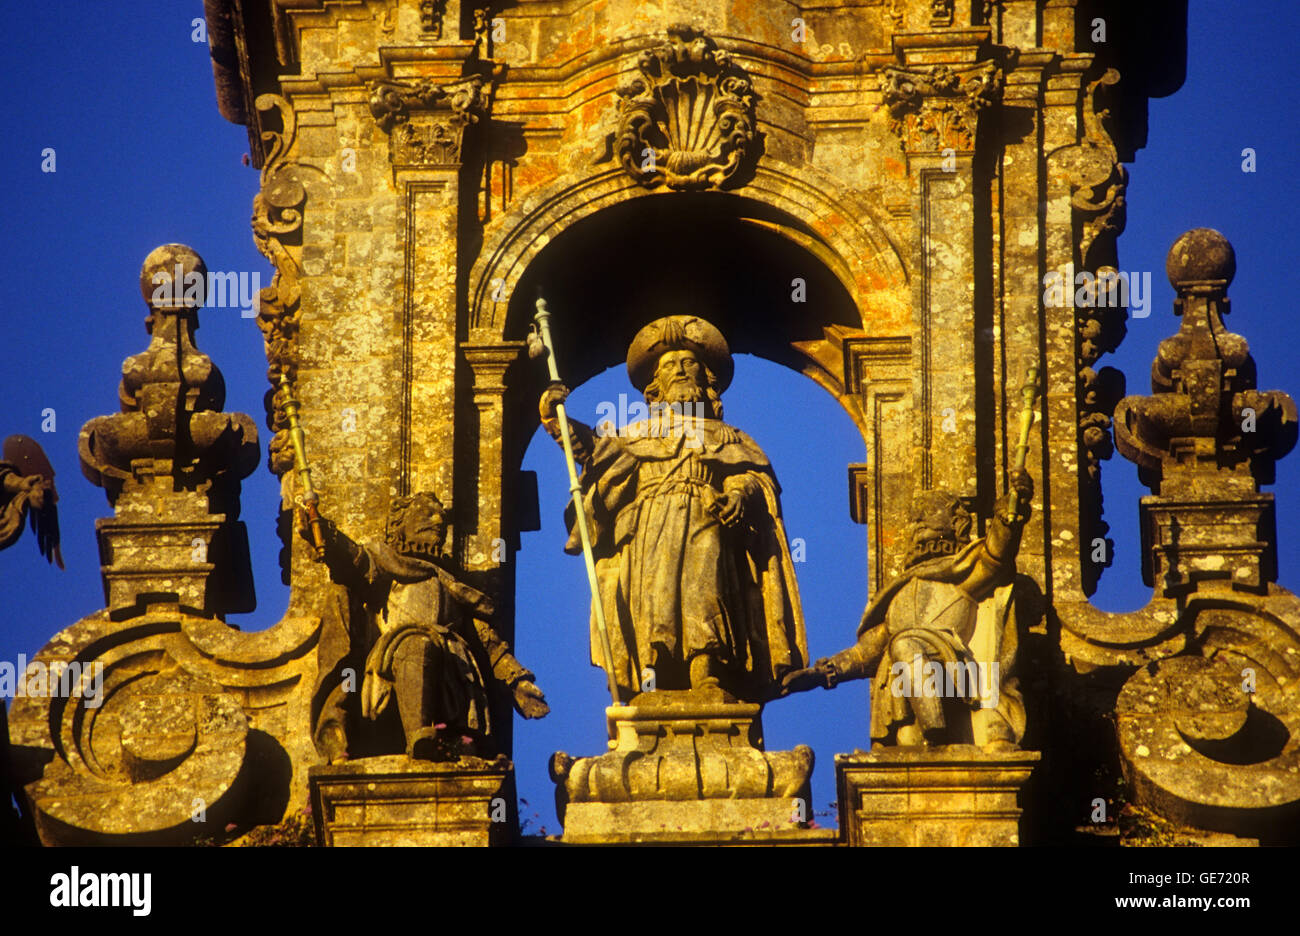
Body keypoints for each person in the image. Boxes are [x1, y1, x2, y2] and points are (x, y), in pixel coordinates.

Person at [540, 315, 807, 702]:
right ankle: (655, 676)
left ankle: (708, 673)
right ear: (655, 386)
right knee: (654, 596)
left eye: (689, 363)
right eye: (669, 365)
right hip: (649, 522)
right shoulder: (635, 434)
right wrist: (557, 419)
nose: (680, 370)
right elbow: (598, 455)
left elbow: (754, 479)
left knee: (705, 587)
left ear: (706, 379)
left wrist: (737, 495)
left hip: (706, 514)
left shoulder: (729, 436)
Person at [781, 471, 1033, 751]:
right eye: (915, 516)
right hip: (905, 680)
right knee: (906, 738)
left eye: (927, 512)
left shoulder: (964, 572)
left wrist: (1010, 512)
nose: (917, 521)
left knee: (903, 644)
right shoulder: (898, 593)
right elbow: (865, 653)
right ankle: (929, 738)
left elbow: (997, 554)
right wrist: (820, 674)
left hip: (952, 664)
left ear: (957, 523)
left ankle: (938, 731)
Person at [305, 491, 548, 762]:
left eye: (440, 517)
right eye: (426, 513)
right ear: (400, 525)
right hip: (399, 657)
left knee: (452, 660)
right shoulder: (386, 564)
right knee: (419, 644)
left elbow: (490, 646)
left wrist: (519, 683)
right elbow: (354, 560)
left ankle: (460, 745)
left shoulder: (456, 588)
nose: (437, 521)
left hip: (454, 667)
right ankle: (418, 737)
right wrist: (325, 532)